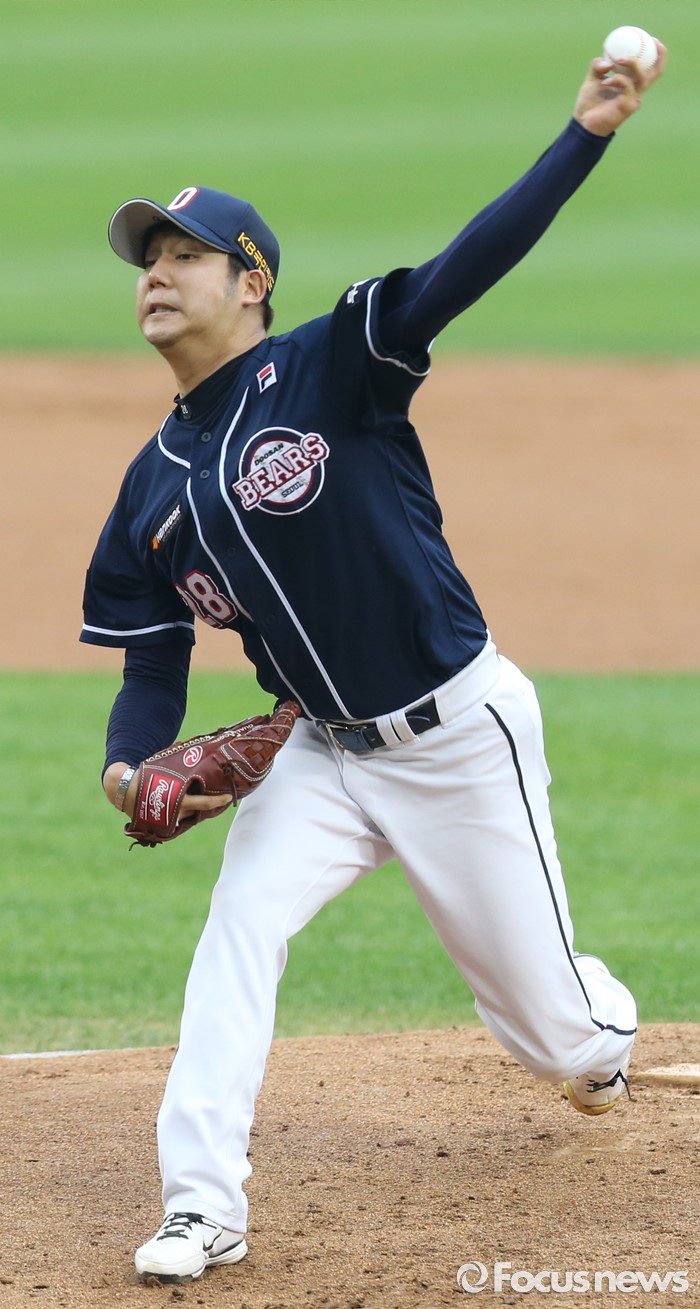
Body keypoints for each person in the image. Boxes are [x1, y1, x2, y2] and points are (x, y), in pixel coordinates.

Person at [82, 45, 665, 1284]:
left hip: (458, 735)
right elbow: (151, 659)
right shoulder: (150, 489)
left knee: (558, 1041)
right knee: (238, 925)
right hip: (317, 752)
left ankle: (600, 1030)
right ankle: (201, 1206)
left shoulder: (332, 362)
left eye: (185, 254)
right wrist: (130, 764)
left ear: (252, 282)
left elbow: (465, 266)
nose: (157, 275)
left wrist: (585, 135)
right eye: (147, 260)